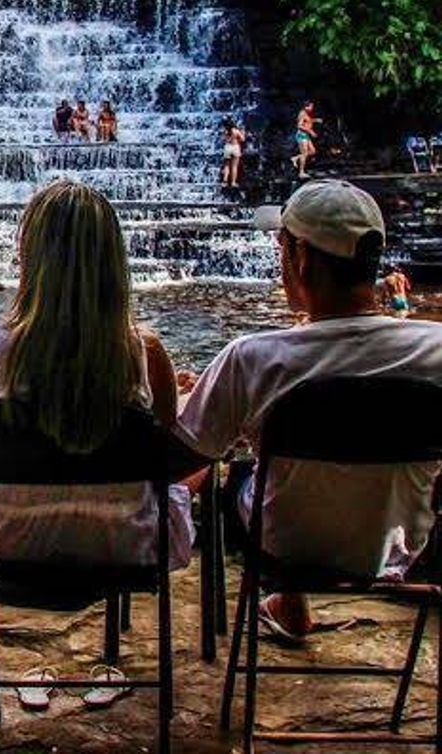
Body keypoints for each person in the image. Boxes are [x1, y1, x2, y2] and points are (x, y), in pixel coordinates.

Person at [0, 180, 209, 705]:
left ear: (29, 255)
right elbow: (163, 463)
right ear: (114, 261)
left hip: (14, 546)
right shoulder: (143, 352)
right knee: (195, 473)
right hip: (130, 549)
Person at [177, 180, 442, 642]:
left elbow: (187, 454)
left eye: (282, 248)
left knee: (244, 474)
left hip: (282, 546)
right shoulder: (436, 350)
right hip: (402, 549)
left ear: (300, 258)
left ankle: (288, 598)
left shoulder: (252, 358)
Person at [292, 100, 318, 179]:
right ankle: (301, 172)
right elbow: (299, 126)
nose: (312, 108)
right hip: (301, 135)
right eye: (311, 106)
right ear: (306, 106)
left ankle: (296, 158)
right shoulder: (302, 114)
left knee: (313, 151)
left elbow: (307, 122)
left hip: (306, 135)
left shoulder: (307, 114)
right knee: (304, 153)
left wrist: (315, 120)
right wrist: (310, 131)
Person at [220, 117, 246, 189]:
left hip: (228, 147)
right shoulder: (236, 131)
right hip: (235, 147)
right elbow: (243, 139)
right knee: (234, 166)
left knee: (226, 165)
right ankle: (233, 182)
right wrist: (243, 132)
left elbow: (223, 139)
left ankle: (224, 181)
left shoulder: (225, 131)